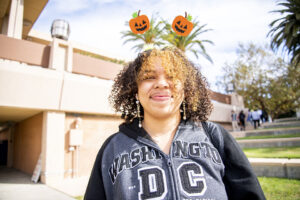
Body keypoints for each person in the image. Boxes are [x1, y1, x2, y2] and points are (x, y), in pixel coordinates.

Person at [84, 47, 265, 200]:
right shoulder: (112, 149)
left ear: (186, 90)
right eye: (149, 77)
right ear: (135, 92)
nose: (161, 84)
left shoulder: (215, 136)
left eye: (172, 76)